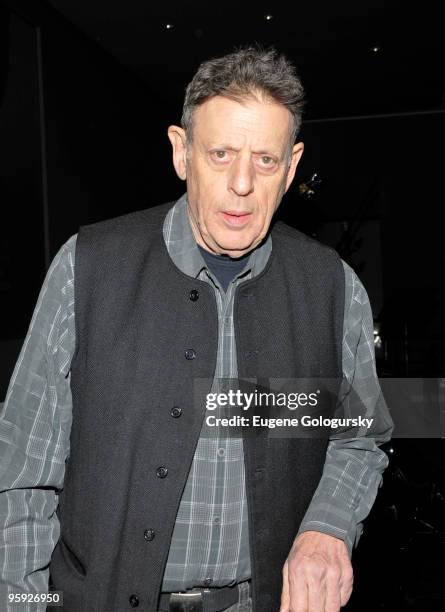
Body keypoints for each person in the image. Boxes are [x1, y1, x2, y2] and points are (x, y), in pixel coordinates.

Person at [0, 46, 393, 612]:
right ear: (182, 153)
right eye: (221, 153)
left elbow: (355, 436)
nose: (241, 183)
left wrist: (327, 528)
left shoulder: (331, 288)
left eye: (264, 159)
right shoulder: (86, 269)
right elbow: (20, 480)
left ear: (291, 166)